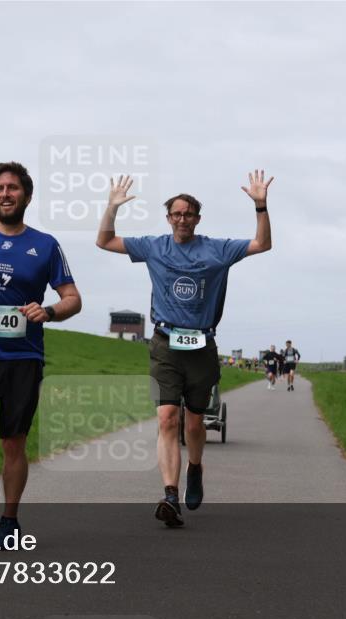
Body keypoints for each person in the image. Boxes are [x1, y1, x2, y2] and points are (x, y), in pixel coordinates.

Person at [95, 170, 273, 527]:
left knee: (194, 423)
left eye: (188, 214)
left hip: (202, 345)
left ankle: (195, 467)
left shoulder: (217, 249)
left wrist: (260, 205)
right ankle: (170, 495)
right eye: (176, 214)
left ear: (197, 219)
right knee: (167, 418)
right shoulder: (154, 246)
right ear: (168, 218)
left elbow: (262, 244)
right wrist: (111, 207)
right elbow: (105, 242)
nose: (181, 219)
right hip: (165, 344)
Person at [0, 161, 82, 547]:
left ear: (26, 195)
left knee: (13, 443)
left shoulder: (45, 245)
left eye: (13, 188)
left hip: (23, 360)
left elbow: (73, 299)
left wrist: (47, 312)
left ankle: (9, 520)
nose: (6, 194)